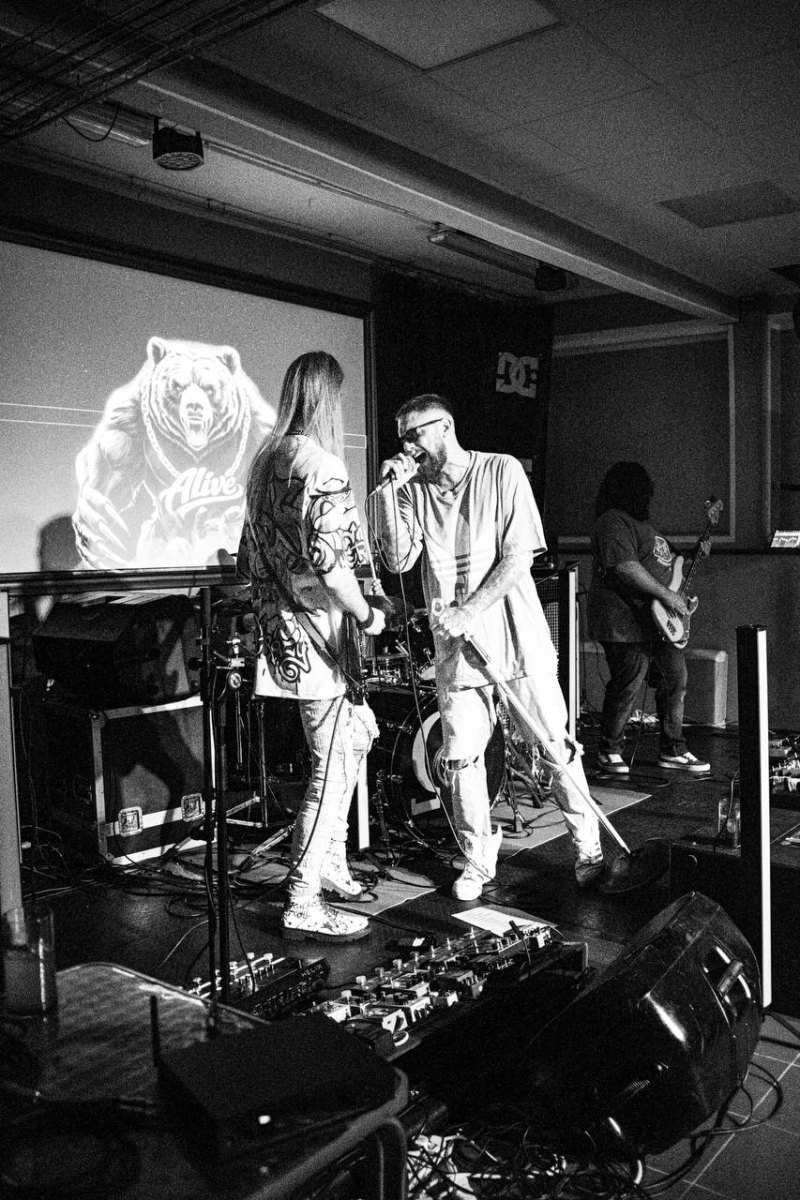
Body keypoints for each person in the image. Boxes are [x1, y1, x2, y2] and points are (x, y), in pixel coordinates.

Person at [376, 394, 604, 900]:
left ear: (446, 426)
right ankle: (478, 858)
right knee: (459, 757)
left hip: (515, 637)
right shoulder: (411, 490)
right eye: (402, 438)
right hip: (456, 649)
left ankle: (587, 846)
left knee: (553, 745)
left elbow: (518, 557)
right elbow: (396, 560)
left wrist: (469, 611)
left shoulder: (501, 471)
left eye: (415, 434)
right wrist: (389, 495)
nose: (408, 446)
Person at [237, 351, 389, 942]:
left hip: (282, 635)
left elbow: (247, 562)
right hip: (322, 636)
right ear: (329, 399)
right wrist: (368, 615)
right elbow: (330, 564)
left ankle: (329, 860)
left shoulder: (263, 465)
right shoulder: (322, 466)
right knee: (330, 767)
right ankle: (303, 898)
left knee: (355, 737)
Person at [587, 461, 710, 776]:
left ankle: (673, 749)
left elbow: (670, 565)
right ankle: (609, 750)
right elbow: (624, 567)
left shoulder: (647, 529)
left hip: (656, 621)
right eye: (644, 491)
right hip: (623, 618)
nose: (648, 498)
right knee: (629, 680)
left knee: (675, 678)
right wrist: (668, 597)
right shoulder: (612, 521)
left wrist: (693, 558)